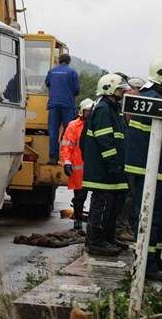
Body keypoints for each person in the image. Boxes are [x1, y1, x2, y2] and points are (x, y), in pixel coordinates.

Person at [126, 56, 162, 281]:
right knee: (151, 217)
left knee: (160, 219)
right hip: (152, 173)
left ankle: (154, 259)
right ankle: (146, 263)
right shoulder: (153, 101)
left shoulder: (159, 100)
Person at [83, 74, 130, 256]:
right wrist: (114, 166)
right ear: (109, 88)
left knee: (112, 206)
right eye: (120, 89)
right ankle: (96, 241)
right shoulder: (103, 109)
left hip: (110, 169)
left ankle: (108, 238)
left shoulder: (112, 108)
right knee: (101, 206)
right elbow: (106, 142)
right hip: (103, 171)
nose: (122, 92)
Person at [115, 76, 145, 242]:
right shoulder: (118, 112)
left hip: (131, 160)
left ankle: (126, 226)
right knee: (126, 196)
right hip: (124, 161)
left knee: (131, 196)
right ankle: (120, 228)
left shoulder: (131, 111)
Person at [61, 97, 94, 231]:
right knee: (79, 197)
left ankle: (93, 221)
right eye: (88, 111)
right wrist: (67, 163)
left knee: (97, 196)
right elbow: (66, 146)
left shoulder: (96, 124)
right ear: (82, 111)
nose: (90, 113)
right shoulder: (73, 126)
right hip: (79, 168)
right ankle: (78, 219)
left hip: (93, 167)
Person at [45, 54, 80, 164]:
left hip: (54, 105)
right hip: (68, 105)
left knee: (53, 132)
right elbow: (77, 90)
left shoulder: (51, 71)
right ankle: (67, 158)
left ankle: (53, 158)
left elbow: (47, 83)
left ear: (59, 61)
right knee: (69, 132)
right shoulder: (72, 72)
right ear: (68, 62)